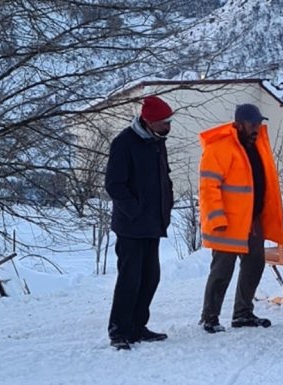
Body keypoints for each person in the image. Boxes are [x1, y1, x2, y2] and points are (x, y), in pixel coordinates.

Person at [198, 103, 283, 333]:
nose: (257, 128)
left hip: (252, 220)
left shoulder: (257, 146)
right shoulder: (220, 148)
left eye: (259, 123)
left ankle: (243, 313)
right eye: (252, 124)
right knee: (222, 270)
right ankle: (210, 317)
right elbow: (209, 188)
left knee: (255, 263)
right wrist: (216, 219)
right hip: (226, 223)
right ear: (239, 123)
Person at [105, 95, 175, 350]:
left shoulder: (158, 142)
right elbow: (114, 185)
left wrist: (167, 203)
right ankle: (119, 331)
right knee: (129, 279)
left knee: (150, 278)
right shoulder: (124, 143)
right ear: (148, 121)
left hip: (153, 224)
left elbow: (162, 178)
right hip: (131, 226)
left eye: (169, 121)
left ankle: (137, 326)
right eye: (163, 122)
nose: (168, 126)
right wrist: (135, 211)